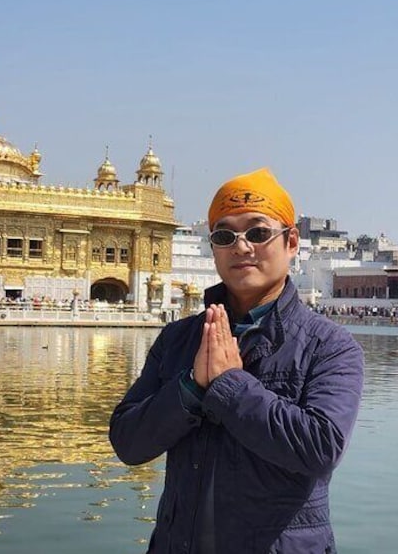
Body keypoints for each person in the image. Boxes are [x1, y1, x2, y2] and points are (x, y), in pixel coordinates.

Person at [110, 167, 364, 553]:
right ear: (213, 247)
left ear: (291, 241)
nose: (241, 247)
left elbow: (320, 446)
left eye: (258, 233)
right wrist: (190, 389)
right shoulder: (179, 339)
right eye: (225, 235)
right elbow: (128, 442)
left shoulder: (328, 346)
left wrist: (229, 384)